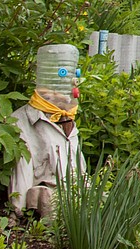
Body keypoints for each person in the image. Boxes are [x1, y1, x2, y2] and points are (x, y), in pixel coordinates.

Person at [8, 42, 86, 219]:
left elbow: (78, 165)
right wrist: (17, 210)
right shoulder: (23, 120)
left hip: (74, 193)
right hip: (47, 196)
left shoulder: (67, 116)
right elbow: (22, 167)